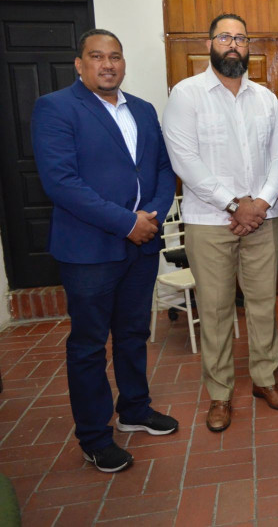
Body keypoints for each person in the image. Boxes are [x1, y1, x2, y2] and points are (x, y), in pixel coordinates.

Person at [32, 29, 178, 473]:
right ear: (80, 64)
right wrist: (126, 222)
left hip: (143, 243)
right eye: (97, 57)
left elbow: (162, 170)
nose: (107, 64)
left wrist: (150, 215)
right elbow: (61, 183)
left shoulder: (144, 110)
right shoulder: (56, 108)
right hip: (90, 250)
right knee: (90, 345)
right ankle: (95, 436)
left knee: (134, 333)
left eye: (115, 57)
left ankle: (135, 408)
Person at [163, 13, 278, 433]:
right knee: (216, 311)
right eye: (225, 37)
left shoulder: (267, 99)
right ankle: (219, 395)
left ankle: (265, 380)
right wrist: (234, 204)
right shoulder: (187, 94)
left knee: (261, 307)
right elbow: (186, 161)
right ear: (210, 43)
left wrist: (259, 202)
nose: (233, 44)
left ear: (248, 46)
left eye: (240, 37)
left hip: (263, 217)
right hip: (209, 221)